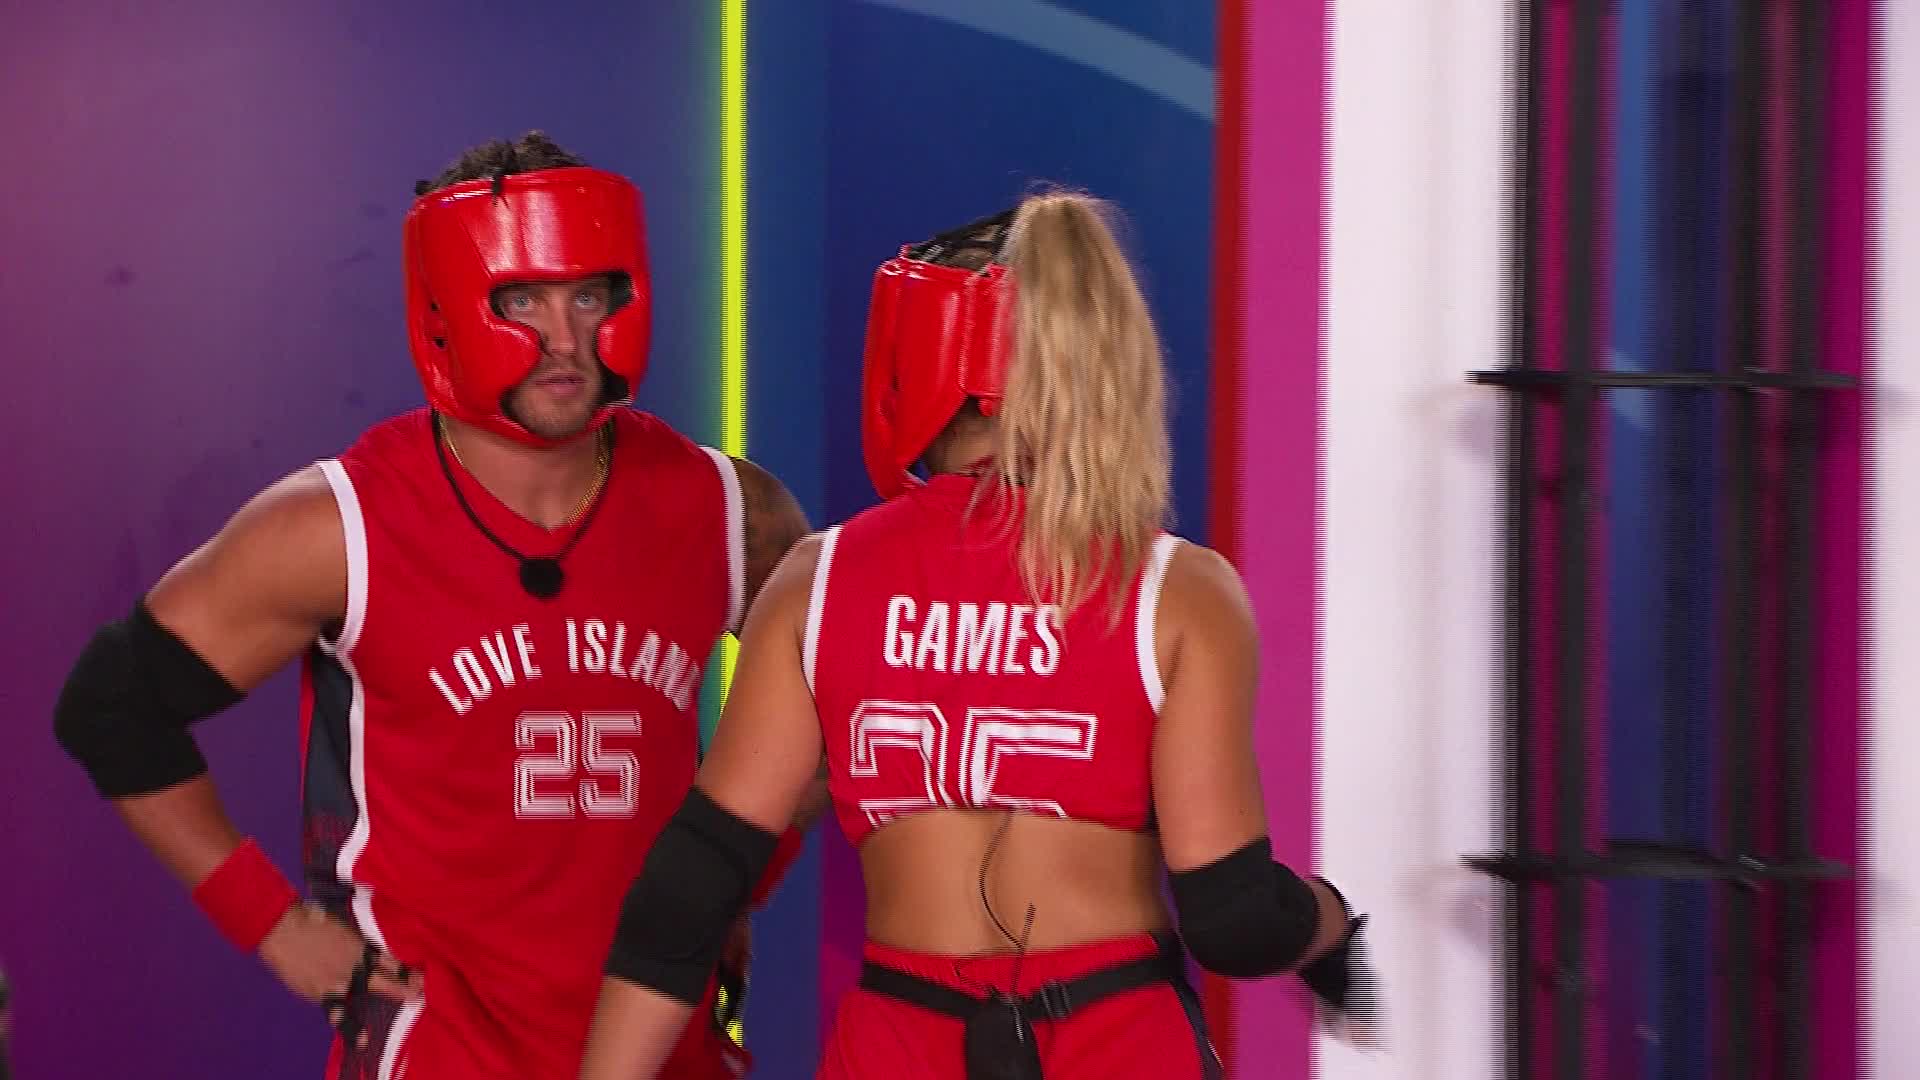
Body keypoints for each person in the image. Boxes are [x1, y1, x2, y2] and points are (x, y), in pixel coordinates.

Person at [53, 131, 816, 1080]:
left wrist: (730, 880)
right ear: (448, 306)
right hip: (440, 1051)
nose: (565, 338)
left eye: (588, 295)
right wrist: (270, 922)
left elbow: (842, 705)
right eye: (521, 299)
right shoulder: (339, 527)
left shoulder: (728, 510)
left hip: (668, 1051)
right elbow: (112, 705)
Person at [574, 192, 1380, 1080]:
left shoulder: (818, 582)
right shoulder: (1179, 593)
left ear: (915, 360)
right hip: (1118, 1036)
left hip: (898, 1043)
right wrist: (1329, 923)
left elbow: (690, 893)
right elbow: (1234, 918)